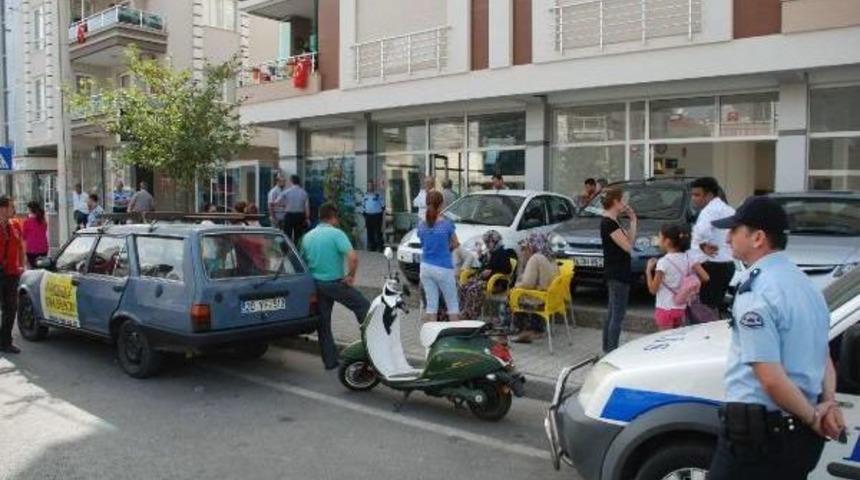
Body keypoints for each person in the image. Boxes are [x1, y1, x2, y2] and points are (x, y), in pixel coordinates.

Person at [707, 196, 844, 480]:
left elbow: (770, 378)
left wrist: (814, 417)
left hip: (758, 441)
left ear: (757, 238)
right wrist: (827, 403)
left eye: (735, 230)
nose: (728, 237)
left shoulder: (757, 293)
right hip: (798, 439)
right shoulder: (807, 286)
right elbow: (823, 356)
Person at [301, 203, 370, 370]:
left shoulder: (308, 236)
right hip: (335, 283)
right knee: (364, 306)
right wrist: (351, 276)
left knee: (324, 323)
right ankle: (370, 350)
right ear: (333, 217)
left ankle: (330, 362)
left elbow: (302, 261)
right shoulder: (336, 234)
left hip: (317, 284)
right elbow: (353, 258)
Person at [645, 224, 710, 331]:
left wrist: (648, 271)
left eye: (660, 237)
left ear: (667, 241)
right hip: (680, 309)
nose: (658, 240)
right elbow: (705, 277)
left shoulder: (663, 262)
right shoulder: (689, 258)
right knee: (676, 343)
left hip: (664, 309)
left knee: (665, 343)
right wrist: (691, 282)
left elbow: (653, 289)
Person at [689, 177, 735, 313]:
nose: (693, 198)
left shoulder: (708, 211)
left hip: (711, 265)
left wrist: (702, 245)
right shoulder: (729, 209)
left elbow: (701, 232)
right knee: (716, 306)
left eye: (697, 195)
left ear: (709, 195)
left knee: (705, 310)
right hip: (728, 264)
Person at [600, 187, 637, 353]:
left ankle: (607, 349)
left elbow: (629, 240)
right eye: (622, 200)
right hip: (618, 273)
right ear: (615, 201)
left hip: (616, 271)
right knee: (617, 315)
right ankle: (611, 351)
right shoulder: (609, 223)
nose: (624, 204)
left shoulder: (613, 221)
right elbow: (628, 247)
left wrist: (633, 221)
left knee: (612, 313)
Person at [417, 191, 460, 323]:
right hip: (443, 268)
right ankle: (456, 336)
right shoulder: (446, 224)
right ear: (441, 204)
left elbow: (423, 243)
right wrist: (446, 249)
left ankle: (432, 338)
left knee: (431, 305)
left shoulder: (421, 225)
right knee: (452, 305)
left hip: (425, 267)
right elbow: (456, 243)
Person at [510, 233, 559, 343]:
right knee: (520, 292)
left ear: (532, 246)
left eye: (526, 247)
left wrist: (517, 285)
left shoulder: (536, 258)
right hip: (554, 299)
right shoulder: (551, 257)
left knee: (514, 294)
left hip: (541, 299)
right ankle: (535, 329)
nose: (524, 250)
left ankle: (524, 330)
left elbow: (527, 283)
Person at [458, 230, 515, 322]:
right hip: (486, 280)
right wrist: (480, 258)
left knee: (474, 288)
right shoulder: (490, 253)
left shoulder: (502, 253)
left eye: (490, 242)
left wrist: (491, 272)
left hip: (497, 283)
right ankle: (463, 310)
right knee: (464, 286)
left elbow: (507, 269)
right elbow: (483, 265)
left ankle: (471, 314)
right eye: (487, 242)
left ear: (496, 242)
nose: (488, 244)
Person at [0, 196, 25, 354]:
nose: (13, 209)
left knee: (11, 308)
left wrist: (21, 265)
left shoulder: (15, 224)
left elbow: (20, 247)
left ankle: (5, 342)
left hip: (11, 273)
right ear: (2, 209)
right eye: (11, 207)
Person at [282, 175, 310, 245]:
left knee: (287, 235)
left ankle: (287, 251)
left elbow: (277, 202)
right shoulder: (304, 193)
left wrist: (285, 205)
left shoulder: (286, 192)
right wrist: (307, 218)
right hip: (299, 216)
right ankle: (297, 250)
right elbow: (307, 207)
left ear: (291, 181)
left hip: (289, 215)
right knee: (298, 235)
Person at [22, 201, 48, 268]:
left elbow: (23, 237)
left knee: (33, 270)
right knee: (42, 269)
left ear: (30, 210)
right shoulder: (43, 221)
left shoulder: (27, 222)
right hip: (43, 249)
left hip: (32, 250)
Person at [362, 180, 385, 252]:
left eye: (371, 185)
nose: (370, 186)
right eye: (368, 185)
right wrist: (364, 213)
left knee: (378, 231)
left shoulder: (377, 195)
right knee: (369, 231)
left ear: (373, 186)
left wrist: (379, 212)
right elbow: (363, 205)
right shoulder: (365, 195)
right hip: (368, 215)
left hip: (377, 215)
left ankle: (380, 247)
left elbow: (383, 205)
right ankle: (372, 247)